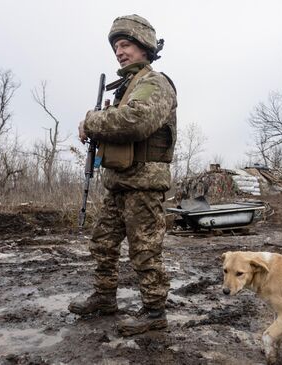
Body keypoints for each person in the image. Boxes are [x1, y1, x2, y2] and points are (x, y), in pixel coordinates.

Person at [69, 14, 177, 337]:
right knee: (103, 243)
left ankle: (155, 311)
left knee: (144, 249)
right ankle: (104, 298)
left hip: (143, 185)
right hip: (118, 183)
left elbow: (135, 122)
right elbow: (118, 124)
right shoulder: (126, 88)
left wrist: (92, 121)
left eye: (125, 44)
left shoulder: (154, 83)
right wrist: (96, 127)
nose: (119, 51)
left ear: (144, 46)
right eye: (116, 46)